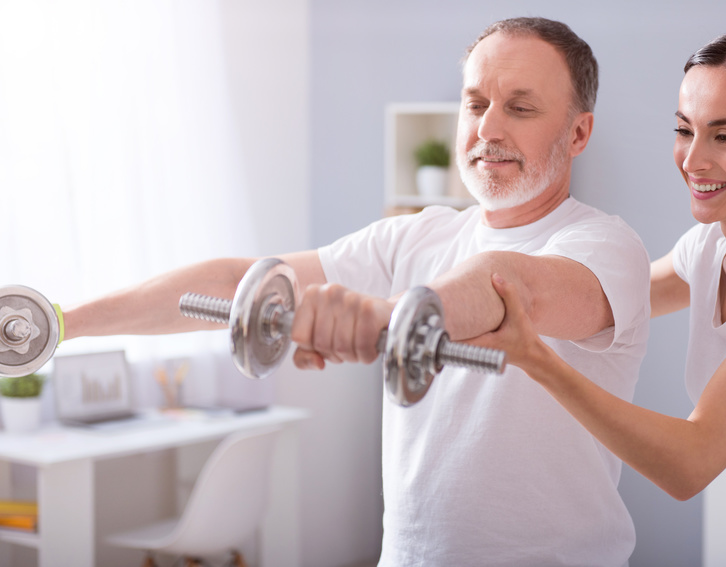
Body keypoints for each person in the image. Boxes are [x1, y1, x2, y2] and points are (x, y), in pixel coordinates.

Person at [63, 18, 650, 566]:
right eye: (475, 104)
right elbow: (236, 283)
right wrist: (64, 323)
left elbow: (510, 285)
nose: (488, 129)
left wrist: (382, 319)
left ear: (578, 132)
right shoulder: (419, 235)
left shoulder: (605, 247)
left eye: (520, 108)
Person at [479, 26, 726, 566]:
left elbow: (690, 463)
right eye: (684, 129)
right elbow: (608, 300)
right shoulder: (708, 248)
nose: (693, 159)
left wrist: (536, 359)